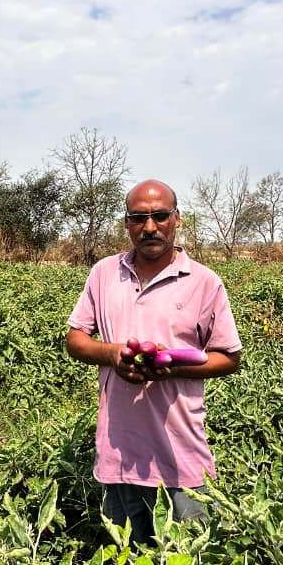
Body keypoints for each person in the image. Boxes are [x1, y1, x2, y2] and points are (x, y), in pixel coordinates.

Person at [65, 179, 242, 546]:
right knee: (126, 561)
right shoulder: (103, 273)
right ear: (126, 223)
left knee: (191, 563)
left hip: (181, 454)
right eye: (138, 218)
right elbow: (75, 339)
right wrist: (114, 355)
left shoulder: (204, 282)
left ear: (177, 219)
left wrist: (169, 367)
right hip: (117, 452)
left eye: (160, 216)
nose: (150, 228)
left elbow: (228, 357)